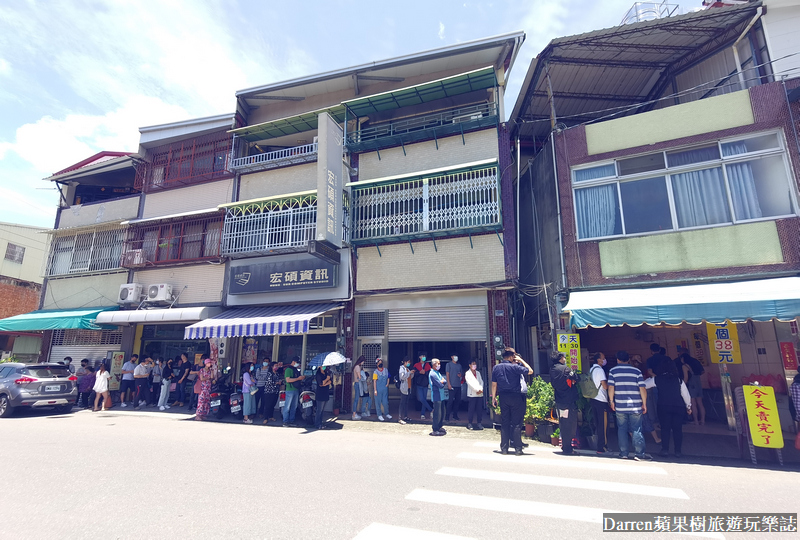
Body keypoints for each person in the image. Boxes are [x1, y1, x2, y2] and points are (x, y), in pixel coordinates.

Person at [608, 350, 652, 461]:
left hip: (620, 405)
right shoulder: (636, 371)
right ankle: (639, 454)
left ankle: (623, 453)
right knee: (636, 429)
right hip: (636, 406)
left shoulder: (613, 371)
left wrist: (611, 401)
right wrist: (644, 403)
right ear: (628, 359)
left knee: (622, 429)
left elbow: (611, 387)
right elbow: (642, 388)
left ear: (617, 359)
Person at [491, 348, 533, 455]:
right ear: (511, 357)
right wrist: (521, 360)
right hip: (516, 396)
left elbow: (494, 384)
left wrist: (493, 397)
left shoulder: (496, 368)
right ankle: (518, 449)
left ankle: (504, 448)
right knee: (516, 423)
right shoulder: (515, 367)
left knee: (505, 422)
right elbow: (530, 371)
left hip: (503, 396)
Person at [654, 358, 692, 457]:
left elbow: (644, 385)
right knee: (677, 429)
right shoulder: (679, 380)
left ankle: (665, 450)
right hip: (678, 406)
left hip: (663, 406)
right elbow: (685, 394)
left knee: (665, 428)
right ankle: (678, 451)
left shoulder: (657, 379)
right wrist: (688, 406)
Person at [550, 352, 580, 455]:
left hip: (559, 400)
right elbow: (576, 378)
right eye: (563, 357)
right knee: (570, 424)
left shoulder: (552, 369)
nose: (564, 359)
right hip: (569, 401)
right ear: (560, 358)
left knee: (563, 423)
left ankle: (565, 445)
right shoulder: (565, 369)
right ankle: (568, 448)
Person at [676, 350, 706, 426]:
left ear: (683, 358)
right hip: (698, 384)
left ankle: (695, 421)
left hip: (691, 386)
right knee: (700, 403)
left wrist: (682, 386)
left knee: (693, 404)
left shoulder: (685, 366)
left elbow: (686, 378)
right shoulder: (695, 362)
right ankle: (702, 420)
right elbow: (703, 371)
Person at [589, 352, 610, 454]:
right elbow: (605, 386)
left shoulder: (591, 369)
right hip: (601, 400)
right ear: (599, 360)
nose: (604, 360)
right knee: (603, 425)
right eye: (603, 358)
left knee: (598, 424)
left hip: (593, 398)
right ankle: (601, 447)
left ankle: (600, 446)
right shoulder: (600, 370)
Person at [282, 356, 305, 427]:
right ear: (293, 362)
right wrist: (298, 378)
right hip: (290, 390)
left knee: (294, 407)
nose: (297, 364)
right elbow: (288, 380)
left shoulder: (295, 369)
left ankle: (292, 421)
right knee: (287, 406)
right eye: (297, 363)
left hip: (296, 389)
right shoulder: (288, 369)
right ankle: (285, 421)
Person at [428, 359, 447, 436]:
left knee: (442, 412)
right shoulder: (432, 374)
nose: (439, 365)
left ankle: (439, 426)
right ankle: (435, 428)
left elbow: (444, 381)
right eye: (438, 363)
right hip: (436, 396)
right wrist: (442, 382)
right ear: (434, 364)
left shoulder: (437, 373)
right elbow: (440, 385)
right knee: (437, 413)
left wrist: (442, 381)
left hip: (441, 396)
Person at [464, 359, 484, 430]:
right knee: (471, 409)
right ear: (469, 365)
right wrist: (477, 390)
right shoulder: (467, 373)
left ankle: (479, 423)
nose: (474, 365)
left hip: (479, 394)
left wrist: (481, 389)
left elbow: (481, 381)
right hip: (472, 394)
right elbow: (470, 383)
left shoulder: (478, 373)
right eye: (473, 364)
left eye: (475, 364)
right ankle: (470, 423)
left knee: (479, 409)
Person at [414, 353, 433, 419]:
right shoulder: (416, 365)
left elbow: (430, 373)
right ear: (419, 357)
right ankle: (431, 410)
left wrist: (425, 372)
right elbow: (414, 373)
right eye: (422, 356)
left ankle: (423, 414)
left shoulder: (427, 365)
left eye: (424, 356)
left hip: (425, 384)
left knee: (424, 399)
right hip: (419, 384)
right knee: (421, 399)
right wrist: (419, 372)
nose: (423, 357)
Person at [445, 354, 463, 422]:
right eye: (454, 356)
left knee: (457, 401)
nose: (455, 357)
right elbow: (447, 374)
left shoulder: (459, 365)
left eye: (456, 356)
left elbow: (461, 374)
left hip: (458, 385)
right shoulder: (448, 365)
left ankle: (455, 415)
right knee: (450, 401)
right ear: (451, 357)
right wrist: (448, 384)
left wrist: (460, 375)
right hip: (452, 385)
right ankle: (447, 416)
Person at [398, 356, 414, 424]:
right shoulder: (402, 368)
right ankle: (400, 418)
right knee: (402, 403)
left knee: (406, 403)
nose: (409, 363)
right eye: (408, 362)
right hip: (404, 388)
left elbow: (410, 377)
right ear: (405, 362)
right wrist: (409, 373)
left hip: (408, 387)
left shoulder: (407, 369)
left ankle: (405, 416)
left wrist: (412, 373)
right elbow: (402, 377)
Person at [351, 356, 367, 420]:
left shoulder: (357, 366)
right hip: (358, 384)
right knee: (356, 399)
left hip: (357, 383)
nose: (363, 363)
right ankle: (354, 414)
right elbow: (359, 377)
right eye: (363, 361)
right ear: (361, 361)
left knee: (356, 399)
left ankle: (354, 413)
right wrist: (362, 373)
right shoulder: (357, 367)